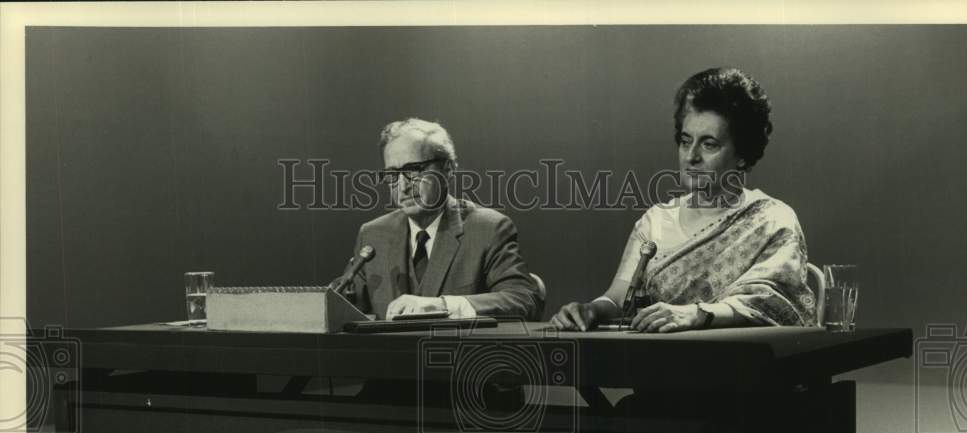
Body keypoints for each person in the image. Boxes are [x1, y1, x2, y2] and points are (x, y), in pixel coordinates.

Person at [551, 67, 817, 332]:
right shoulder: (656, 220)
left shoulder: (771, 220)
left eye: (709, 144)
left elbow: (774, 303)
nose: (691, 157)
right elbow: (619, 299)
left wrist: (698, 314)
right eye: (685, 141)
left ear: (743, 154)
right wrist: (590, 310)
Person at [343, 118, 542, 320]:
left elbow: (524, 299)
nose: (402, 187)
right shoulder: (373, 235)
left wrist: (444, 305)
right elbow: (342, 309)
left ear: (448, 169)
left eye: (414, 170)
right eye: (392, 174)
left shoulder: (488, 229)